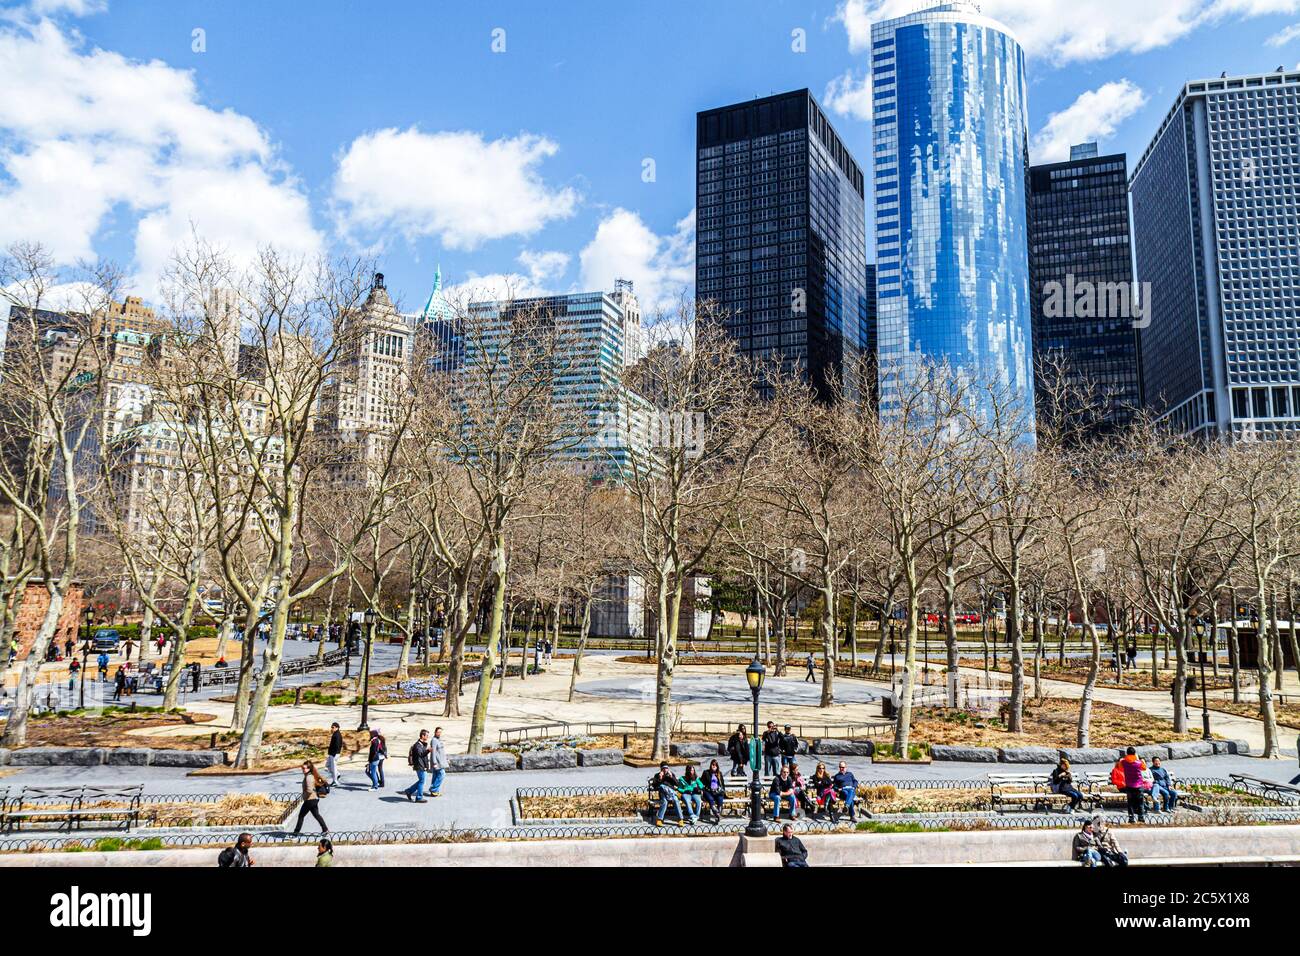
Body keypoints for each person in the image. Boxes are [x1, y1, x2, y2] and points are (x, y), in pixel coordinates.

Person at [291, 761, 329, 835]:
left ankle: (296, 832)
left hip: (310, 799)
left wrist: (304, 796)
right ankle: (325, 829)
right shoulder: (310, 776)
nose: (303, 770)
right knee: (316, 815)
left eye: (305, 768)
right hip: (313, 799)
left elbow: (309, 790)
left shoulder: (309, 777)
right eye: (302, 768)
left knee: (301, 815)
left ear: (309, 769)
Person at [1119, 747, 1148, 823]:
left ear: (1127, 753)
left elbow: (1120, 767)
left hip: (1129, 785)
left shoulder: (1124, 762)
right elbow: (1144, 768)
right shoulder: (1138, 763)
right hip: (1139, 785)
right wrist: (1139, 759)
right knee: (1140, 802)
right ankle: (1141, 817)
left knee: (1130, 803)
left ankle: (1131, 818)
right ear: (1135, 753)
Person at [650, 762, 684, 827]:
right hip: (663, 793)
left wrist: (671, 777)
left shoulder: (671, 774)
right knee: (665, 802)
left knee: (676, 800)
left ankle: (680, 819)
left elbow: (677, 784)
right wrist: (660, 778)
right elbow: (655, 786)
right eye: (663, 768)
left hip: (671, 793)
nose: (665, 770)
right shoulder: (657, 775)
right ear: (661, 769)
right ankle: (659, 820)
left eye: (666, 768)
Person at [404, 729, 431, 803]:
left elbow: (423, 754)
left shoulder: (422, 744)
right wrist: (428, 750)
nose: (428, 737)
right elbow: (421, 754)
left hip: (422, 765)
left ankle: (409, 791)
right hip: (419, 766)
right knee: (422, 781)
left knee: (421, 781)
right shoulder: (417, 745)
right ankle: (419, 797)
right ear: (423, 736)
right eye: (427, 735)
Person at [700, 759, 727, 823]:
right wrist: (702, 790)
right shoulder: (706, 772)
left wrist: (723, 790)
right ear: (710, 765)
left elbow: (722, 784)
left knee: (720, 799)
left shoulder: (719, 773)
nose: (714, 766)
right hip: (708, 791)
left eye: (715, 765)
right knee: (710, 799)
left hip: (718, 792)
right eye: (713, 765)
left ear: (717, 766)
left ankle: (718, 816)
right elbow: (701, 782)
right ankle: (718, 815)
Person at [426, 727, 448, 797]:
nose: (439, 733)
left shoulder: (439, 740)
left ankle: (435, 792)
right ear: (435, 732)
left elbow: (441, 751)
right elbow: (433, 752)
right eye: (438, 732)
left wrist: (446, 759)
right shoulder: (434, 740)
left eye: (440, 732)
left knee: (435, 776)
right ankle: (433, 789)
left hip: (441, 761)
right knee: (442, 774)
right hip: (437, 762)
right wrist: (434, 763)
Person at [326, 722, 344, 786]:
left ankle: (335, 781)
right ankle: (337, 774)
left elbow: (337, 745)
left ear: (337, 727)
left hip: (334, 754)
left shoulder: (337, 735)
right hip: (332, 753)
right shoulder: (335, 734)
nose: (332, 728)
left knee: (333, 768)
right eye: (331, 727)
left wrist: (333, 754)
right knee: (327, 765)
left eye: (333, 727)